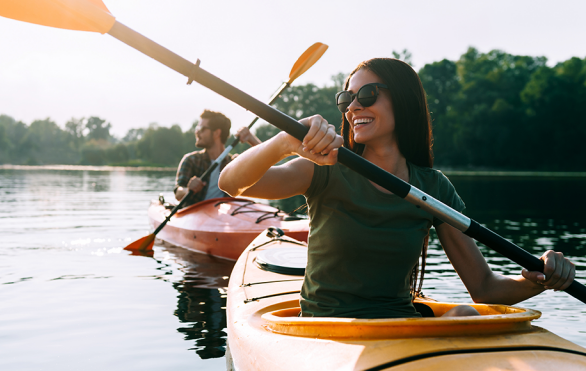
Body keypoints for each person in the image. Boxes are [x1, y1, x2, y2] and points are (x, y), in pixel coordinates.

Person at [218, 58, 576, 319]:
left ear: (402, 100)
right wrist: (284, 141)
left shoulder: (433, 188)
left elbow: (484, 287)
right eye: (347, 100)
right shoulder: (325, 168)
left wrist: (539, 278)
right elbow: (231, 183)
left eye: (368, 94)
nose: (354, 106)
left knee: (465, 313)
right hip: (326, 330)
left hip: (400, 327)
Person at [174, 109, 261, 208]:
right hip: (193, 214)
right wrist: (188, 190)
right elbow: (178, 193)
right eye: (197, 128)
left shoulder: (233, 163)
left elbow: (267, 161)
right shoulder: (191, 160)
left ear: (216, 133)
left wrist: (250, 138)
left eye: (201, 129)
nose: (197, 132)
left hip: (223, 216)